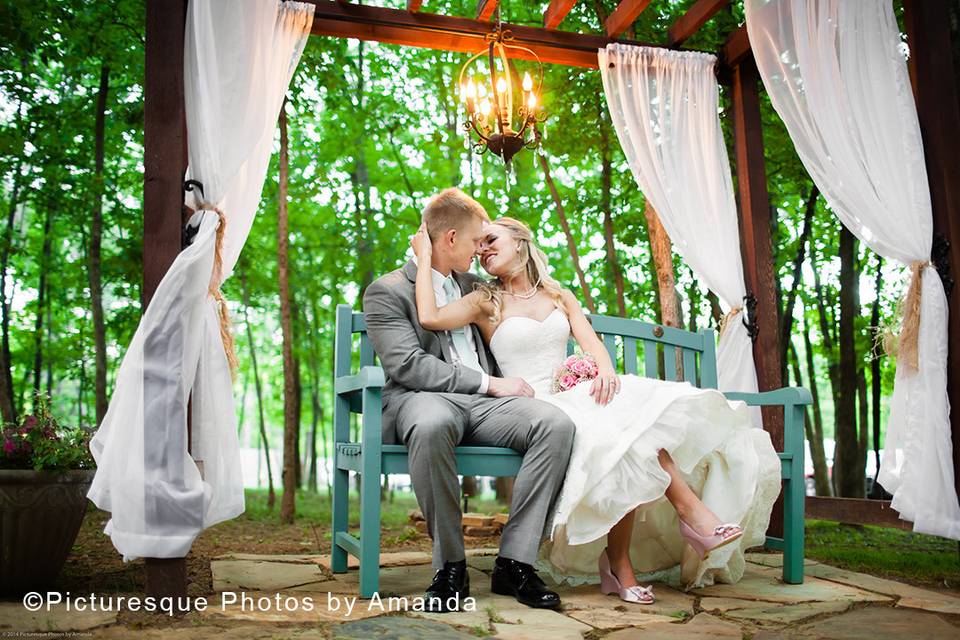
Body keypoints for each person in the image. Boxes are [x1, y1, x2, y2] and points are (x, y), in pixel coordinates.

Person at [409, 216, 781, 603]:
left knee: (632, 432)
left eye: (490, 240)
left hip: (577, 396)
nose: (482, 249)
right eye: (479, 246)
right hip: (532, 409)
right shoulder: (486, 300)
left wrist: (603, 372)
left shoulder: (558, 295)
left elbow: (592, 344)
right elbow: (430, 317)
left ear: (519, 242)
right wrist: (423, 259)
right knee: (625, 435)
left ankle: (632, 558)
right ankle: (683, 524)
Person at [362, 189, 578, 613]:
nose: (482, 248)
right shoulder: (386, 291)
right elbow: (407, 365)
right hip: (422, 399)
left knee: (555, 425)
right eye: (478, 239)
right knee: (432, 423)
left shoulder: (478, 288)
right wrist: (490, 384)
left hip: (482, 406)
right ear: (450, 239)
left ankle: (515, 562)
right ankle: (451, 569)